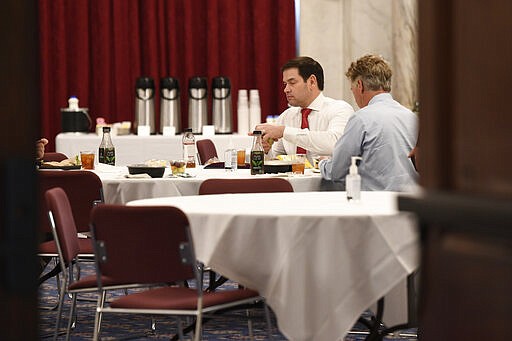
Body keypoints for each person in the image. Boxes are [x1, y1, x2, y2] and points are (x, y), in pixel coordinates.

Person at [319, 54, 418, 191]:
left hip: (375, 204)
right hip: (412, 201)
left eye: (352, 89)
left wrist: (323, 163)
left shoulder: (361, 119)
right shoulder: (411, 117)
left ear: (359, 85)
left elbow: (337, 171)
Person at [254, 56, 354, 161]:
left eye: (292, 83)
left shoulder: (340, 109)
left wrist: (285, 132)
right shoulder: (287, 116)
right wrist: (266, 150)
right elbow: (277, 158)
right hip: (293, 177)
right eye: (285, 84)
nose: (286, 89)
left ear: (312, 81)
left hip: (328, 177)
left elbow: (335, 144)